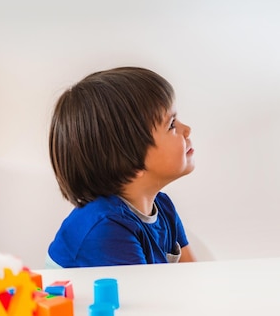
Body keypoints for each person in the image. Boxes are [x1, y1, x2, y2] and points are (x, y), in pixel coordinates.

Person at [46, 66, 197, 267]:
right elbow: (141, 297)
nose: (186, 130)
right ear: (130, 160)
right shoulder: (106, 229)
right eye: (171, 125)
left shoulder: (163, 207)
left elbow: (195, 276)